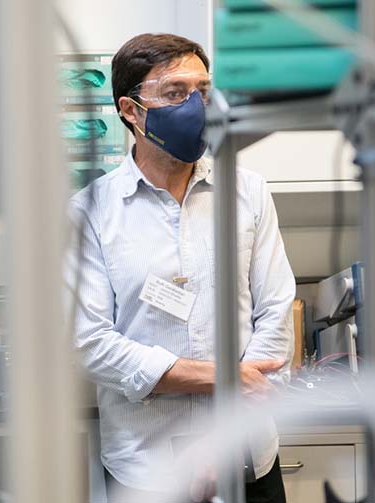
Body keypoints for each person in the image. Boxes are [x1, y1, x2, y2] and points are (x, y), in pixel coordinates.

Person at [65, 33, 295, 503]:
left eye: (203, 91)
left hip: (247, 458)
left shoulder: (247, 192)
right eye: (175, 93)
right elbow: (89, 342)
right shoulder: (90, 211)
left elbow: (276, 311)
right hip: (146, 469)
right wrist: (222, 376)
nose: (196, 105)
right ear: (131, 110)